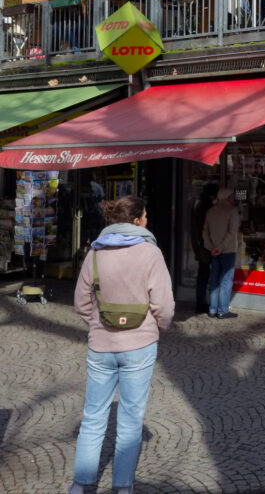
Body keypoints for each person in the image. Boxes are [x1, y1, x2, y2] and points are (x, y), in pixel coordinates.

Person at [68, 195, 174, 494]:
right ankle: (123, 487)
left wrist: (98, 324)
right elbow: (164, 305)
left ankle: (80, 485)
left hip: (101, 345)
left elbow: (81, 303)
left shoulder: (95, 252)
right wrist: (156, 328)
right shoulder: (151, 253)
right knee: (130, 420)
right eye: (146, 216)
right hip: (140, 344)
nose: (148, 221)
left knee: (93, 417)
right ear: (137, 220)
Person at [203, 186, 241, 319]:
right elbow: (232, 232)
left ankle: (212, 309)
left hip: (214, 251)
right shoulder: (232, 211)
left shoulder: (211, 211)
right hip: (227, 250)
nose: (234, 198)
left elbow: (205, 232)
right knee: (226, 281)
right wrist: (220, 247)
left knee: (214, 280)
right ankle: (223, 310)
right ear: (228, 197)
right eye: (232, 196)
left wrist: (212, 247)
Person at [190, 182, 219, 314]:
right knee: (205, 274)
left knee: (203, 273)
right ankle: (202, 302)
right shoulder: (206, 207)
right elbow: (206, 228)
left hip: (201, 245)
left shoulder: (199, 204)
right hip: (205, 246)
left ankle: (201, 302)